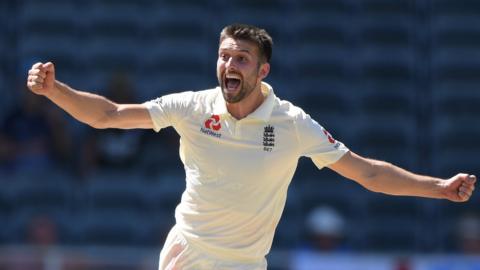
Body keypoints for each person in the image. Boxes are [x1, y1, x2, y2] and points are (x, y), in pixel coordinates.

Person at [26, 24, 476, 270]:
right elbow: (108, 116)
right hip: (188, 253)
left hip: (246, 264)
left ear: (262, 70)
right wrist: (55, 91)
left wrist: (437, 187)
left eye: (241, 58)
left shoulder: (292, 123)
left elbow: (368, 173)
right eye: (224, 55)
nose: (229, 64)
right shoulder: (191, 106)